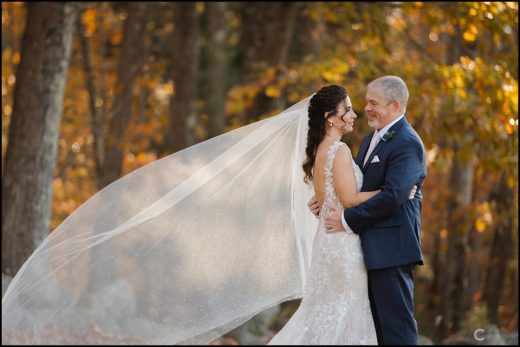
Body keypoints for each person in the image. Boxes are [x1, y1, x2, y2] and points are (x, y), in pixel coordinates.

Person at [310, 76, 426, 345]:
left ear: (395, 106)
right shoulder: (367, 140)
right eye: (366, 102)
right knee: (371, 330)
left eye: (373, 103)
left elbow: (393, 197)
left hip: (391, 250)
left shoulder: (408, 143)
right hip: (363, 249)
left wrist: (346, 219)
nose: (366, 109)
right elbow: (351, 188)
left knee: (396, 330)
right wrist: (325, 198)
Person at [267, 85, 380, 344]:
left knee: (323, 315)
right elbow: (350, 199)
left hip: (328, 242)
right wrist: (392, 193)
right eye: (347, 110)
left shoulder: (321, 149)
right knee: (344, 316)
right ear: (330, 117)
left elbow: (324, 201)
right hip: (343, 247)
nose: (354, 115)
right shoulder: (338, 150)